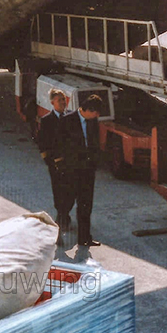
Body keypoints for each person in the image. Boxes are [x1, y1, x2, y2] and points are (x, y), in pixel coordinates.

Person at [58, 94, 103, 248]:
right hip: (71, 171)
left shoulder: (93, 121)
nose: (97, 116)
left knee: (86, 205)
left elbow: (95, 142)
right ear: (87, 110)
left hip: (87, 171)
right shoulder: (66, 120)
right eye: (95, 113)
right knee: (66, 203)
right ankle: (58, 232)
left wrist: (94, 162)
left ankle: (84, 238)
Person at [38, 88, 72, 234]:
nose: (63, 103)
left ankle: (65, 214)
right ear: (52, 102)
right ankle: (62, 217)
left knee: (71, 191)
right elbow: (42, 141)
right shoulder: (46, 120)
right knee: (59, 190)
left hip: (71, 161)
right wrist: (49, 159)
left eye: (64, 99)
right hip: (55, 163)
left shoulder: (71, 117)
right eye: (60, 100)